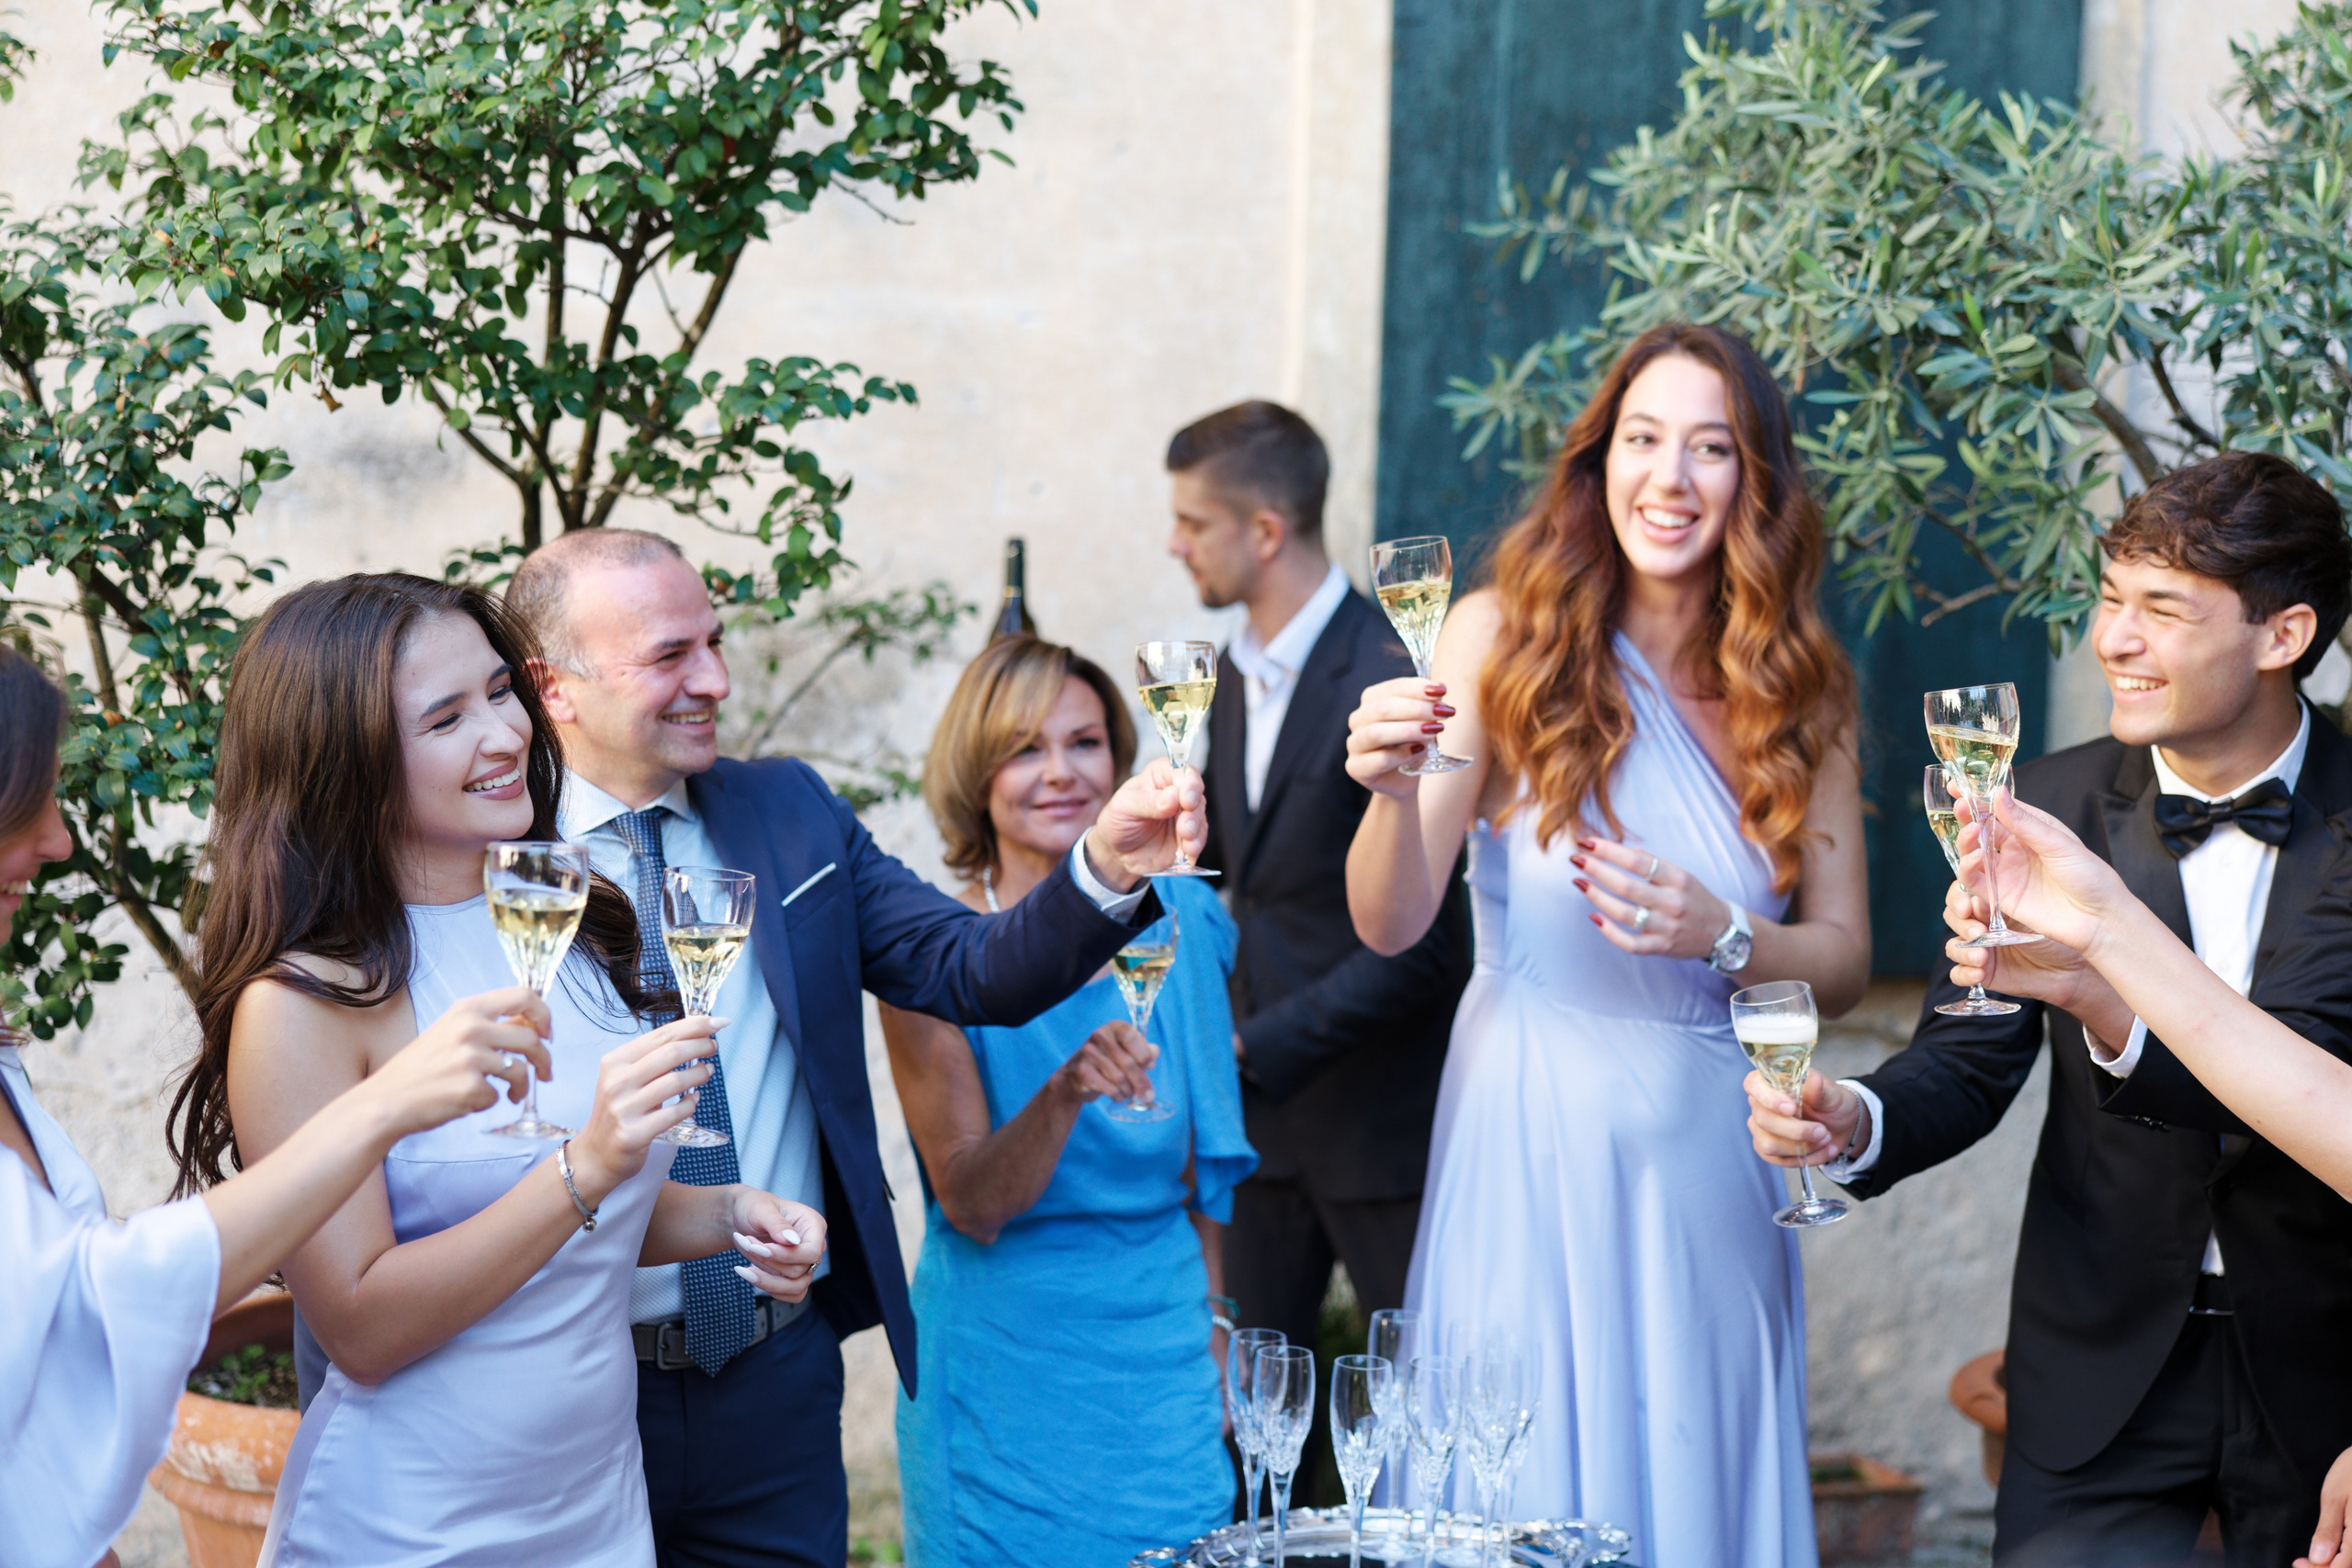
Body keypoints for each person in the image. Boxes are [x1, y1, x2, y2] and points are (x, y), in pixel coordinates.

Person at [503, 529, 1203, 1568]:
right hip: (567, 1384)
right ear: (551, 685)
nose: (716, 679)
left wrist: (1102, 865)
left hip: (774, 1384)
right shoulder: (487, 851)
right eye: (670, 657)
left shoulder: (789, 813)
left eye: (716, 642)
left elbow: (974, 969)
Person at [1746, 450, 2352, 1568]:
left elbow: (2304, 1082)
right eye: (2110, 599)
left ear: (2283, 636)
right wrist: (1858, 1119)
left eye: (2161, 610)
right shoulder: (2042, 801)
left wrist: (2108, 998)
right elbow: (1966, 1057)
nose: (2111, 640)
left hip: (2326, 1380)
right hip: (2099, 1368)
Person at [163, 574, 826, 1566]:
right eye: (446, 717)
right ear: (347, 760)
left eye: (500, 691)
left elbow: (591, 1222)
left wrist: (731, 1214)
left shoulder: (576, 919)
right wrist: (589, 1166)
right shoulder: (306, 1000)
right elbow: (362, 1328)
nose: (506, 734)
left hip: (597, 1508)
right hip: (415, 1524)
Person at [1343, 322, 1870, 1566]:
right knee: (1519, 1488)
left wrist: (1726, 932)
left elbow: (1845, 956)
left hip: (1714, 1165)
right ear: (1600, 458)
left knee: (1692, 1489)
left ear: (1757, 483)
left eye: (1710, 448)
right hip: (1530, 1139)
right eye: (1643, 439)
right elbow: (1391, 918)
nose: (1669, 478)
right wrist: (1384, 788)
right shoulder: (1496, 637)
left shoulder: (1804, 690)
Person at [0, 644, 563, 1568]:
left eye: (503, 695)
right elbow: (82, 1304)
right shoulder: (305, 1001)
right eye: (29, 806)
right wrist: (386, 1110)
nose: (60, 842)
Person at [876, 634, 1256, 1565]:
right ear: (977, 772)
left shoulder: (1186, 920)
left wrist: (1212, 1335)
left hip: (1158, 1358)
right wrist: (1065, 1091)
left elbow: (1210, 1171)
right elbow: (971, 1204)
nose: (1060, 774)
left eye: (1084, 744)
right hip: (1000, 1369)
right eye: (1023, 749)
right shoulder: (927, 951)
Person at [1164, 400, 1471, 1408]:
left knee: (1425, 1420)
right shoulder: (1230, 678)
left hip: (1382, 1129)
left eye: (1192, 524)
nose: (1175, 546)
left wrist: (1252, 1044)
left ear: (1264, 531)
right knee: (1255, 1427)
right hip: (1258, 1141)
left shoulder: (1395, 670)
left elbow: (1426, 944)